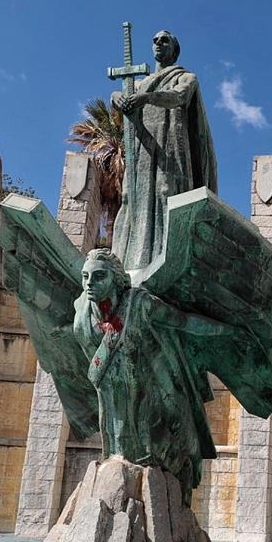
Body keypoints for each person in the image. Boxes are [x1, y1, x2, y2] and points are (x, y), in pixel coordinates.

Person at [72, 248, 229, 499]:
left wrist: (225, 331)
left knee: (173, 453)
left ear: (115, 278)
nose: (90, 283)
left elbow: (183, 321)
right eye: (85, 277)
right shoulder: (81, 313)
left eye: (99, 276)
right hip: (112, 403)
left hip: (154, 395)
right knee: (119, 461)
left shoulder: (139, 303)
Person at [110, 30, 218, 274]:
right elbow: (118, 102)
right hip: (141, 149)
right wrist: (117, 97)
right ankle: (124, 261)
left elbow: (179, 96)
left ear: (174, 49)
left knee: (167, 193)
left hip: (170, 146)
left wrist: (146, 98)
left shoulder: (185, 77)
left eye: (165, 40)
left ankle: (169, 260)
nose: (159, 43)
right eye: (155, 40)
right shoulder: (138, 83)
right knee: (130, 196)